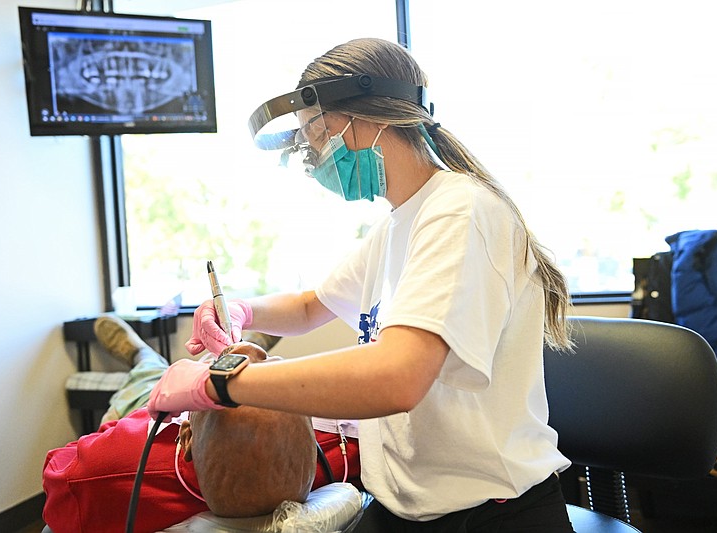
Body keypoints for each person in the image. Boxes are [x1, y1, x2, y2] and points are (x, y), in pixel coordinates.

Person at [148, 37, 576, 532]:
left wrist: (218, 384)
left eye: (319, 135)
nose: (313, 158)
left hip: (490, 514)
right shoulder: (399, 222)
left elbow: (399, 375)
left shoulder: (460, 212)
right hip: (406, 508)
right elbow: (312, 306)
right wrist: (244, 311)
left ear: (373, 119)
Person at [42, 315, 361, 533]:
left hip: (145, 406)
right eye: (267, 365)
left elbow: (59, 470)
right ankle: (238, 346)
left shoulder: (111, 468)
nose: (264, 358)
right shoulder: (342, 453)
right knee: (229, 362)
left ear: (185, 434)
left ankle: (141, 355)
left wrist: (139, 417)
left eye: (262, 362)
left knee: (145, 380)